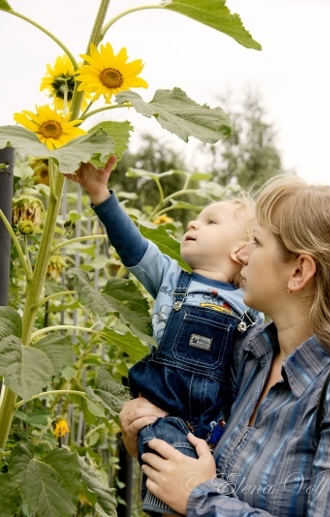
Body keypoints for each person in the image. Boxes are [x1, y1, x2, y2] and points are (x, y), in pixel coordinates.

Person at [120, 173, 330, 516]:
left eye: (256, 241)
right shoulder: (250, 351)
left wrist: (200, 497)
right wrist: (149, 437)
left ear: (298, 273)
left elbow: (197, 489)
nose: (242, 254)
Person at [66, 156, 263, 515]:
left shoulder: (252, 304)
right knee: (164, 471)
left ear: (243, 251)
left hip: (212, 426)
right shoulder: (171, 281)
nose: (193, 221)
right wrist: (99, 193)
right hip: (159, 413)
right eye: (198, 218)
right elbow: (133, 246)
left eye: (210, 221)